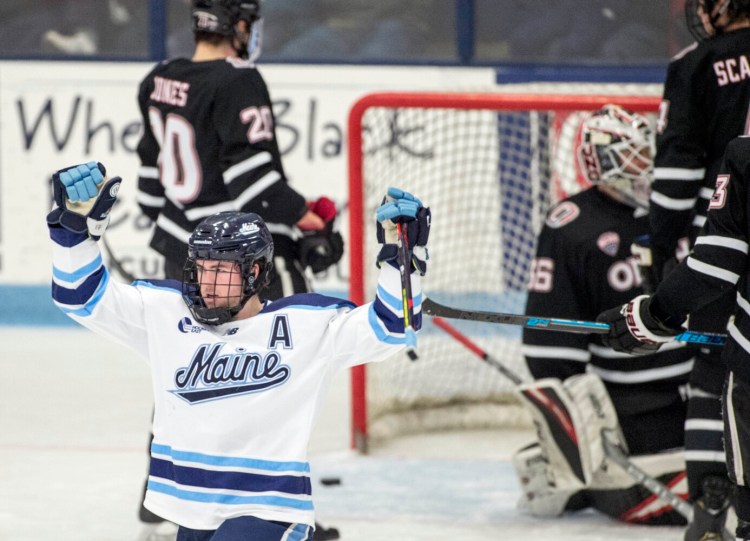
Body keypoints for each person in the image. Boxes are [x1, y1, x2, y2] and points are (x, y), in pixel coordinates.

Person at [47, 161, 431, 541]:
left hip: (268, 511)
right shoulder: (165, 313)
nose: (205, 282)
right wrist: (73, 232)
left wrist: (402, 258)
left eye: (220, 270)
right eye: (200, 268)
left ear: (254, 272)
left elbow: (392, 326)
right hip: (191, 512)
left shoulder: (308, 326)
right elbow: (79, 297)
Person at [135, 2, 342, 537]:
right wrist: (311, 220)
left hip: (180, 248)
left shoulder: (159, 79)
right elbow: (257, 187)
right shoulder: (238, 82)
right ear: (240, 27)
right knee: (260, 377)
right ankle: (273, 507)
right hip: (229, 258)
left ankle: (164, 494)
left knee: (186, 368)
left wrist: (172, 233)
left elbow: (148, 181)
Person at [516, 105, 692, 525]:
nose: (650, 162)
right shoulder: (571, 228)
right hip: (633, 404)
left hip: (698, 384)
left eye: (650, 150)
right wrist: (575, 427)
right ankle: (576, 476)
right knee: (696, 498)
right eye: (637, 154)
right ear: (607, 163)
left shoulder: (678, 208)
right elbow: (548, 342)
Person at [631, 1, 750, 537]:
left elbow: (677, 168)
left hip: (725, 233)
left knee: (714, 367)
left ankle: (711, 495)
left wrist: (661, 251)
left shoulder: (696, 63)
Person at [598, 134, 750, 541]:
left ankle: (709, 502)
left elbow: (714, 268)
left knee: (711, 359)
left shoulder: (744, 156)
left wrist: (651, 315)